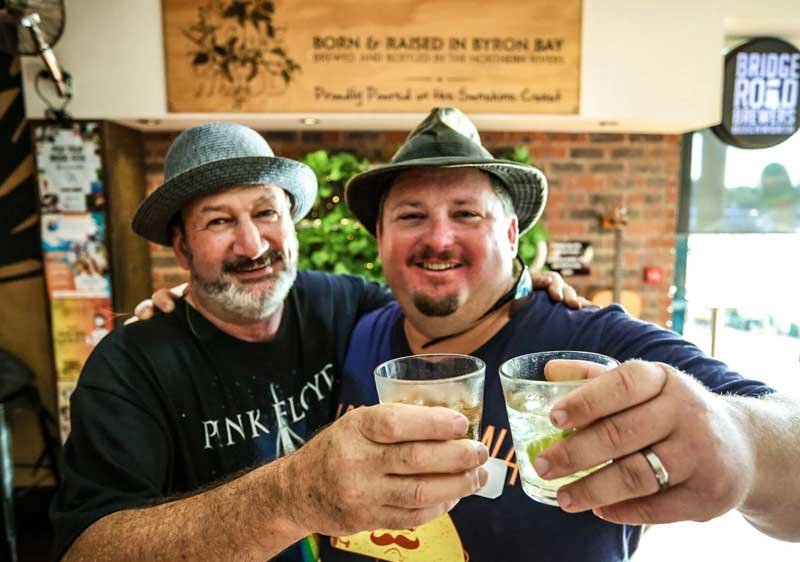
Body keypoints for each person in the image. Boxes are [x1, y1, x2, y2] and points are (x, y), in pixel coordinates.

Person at [51, 121, 580, 562]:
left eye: (266, 212)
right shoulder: (129, 367)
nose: (252, 244)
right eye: (219, 221)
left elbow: (443, 299)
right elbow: (85, 550)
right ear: (183, 248)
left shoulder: (344, 305)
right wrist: (287, 497)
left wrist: (523, 289)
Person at [315, 108, 800, 562]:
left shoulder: (597, 342)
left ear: (510, 235)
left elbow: (786, 434)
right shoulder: (356, 327)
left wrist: (740, 439)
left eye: (467, 214)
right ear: (380, 236)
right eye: (411, 216)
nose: (439, 238)